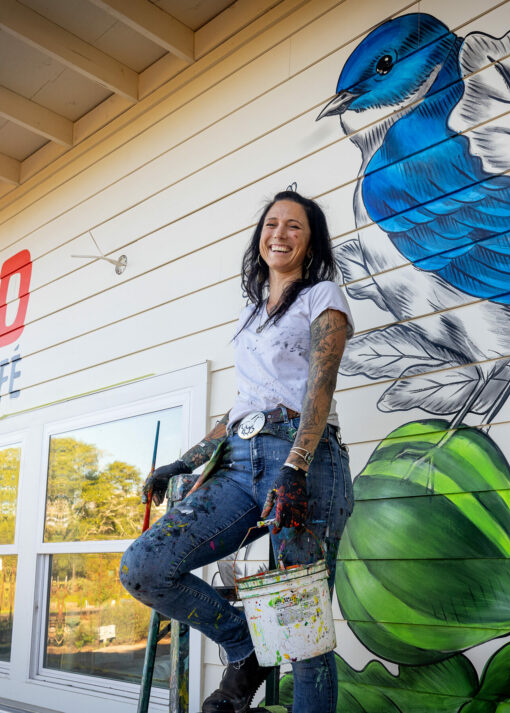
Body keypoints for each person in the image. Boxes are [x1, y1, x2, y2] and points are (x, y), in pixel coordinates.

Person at [120, 189, 354, 713]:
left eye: (295, 226)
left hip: (303, 462)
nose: (280, 233)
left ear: (311, 241)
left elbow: (321, 384)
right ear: (259, 236)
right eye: (272, 223)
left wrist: (295, 466)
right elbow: (243, 407)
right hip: (239, 460)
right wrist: (186, 460)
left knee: (304, 632)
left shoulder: (323, 297)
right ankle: (246, 644)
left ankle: (275, 651)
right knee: (145, 566)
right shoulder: (252, 315)